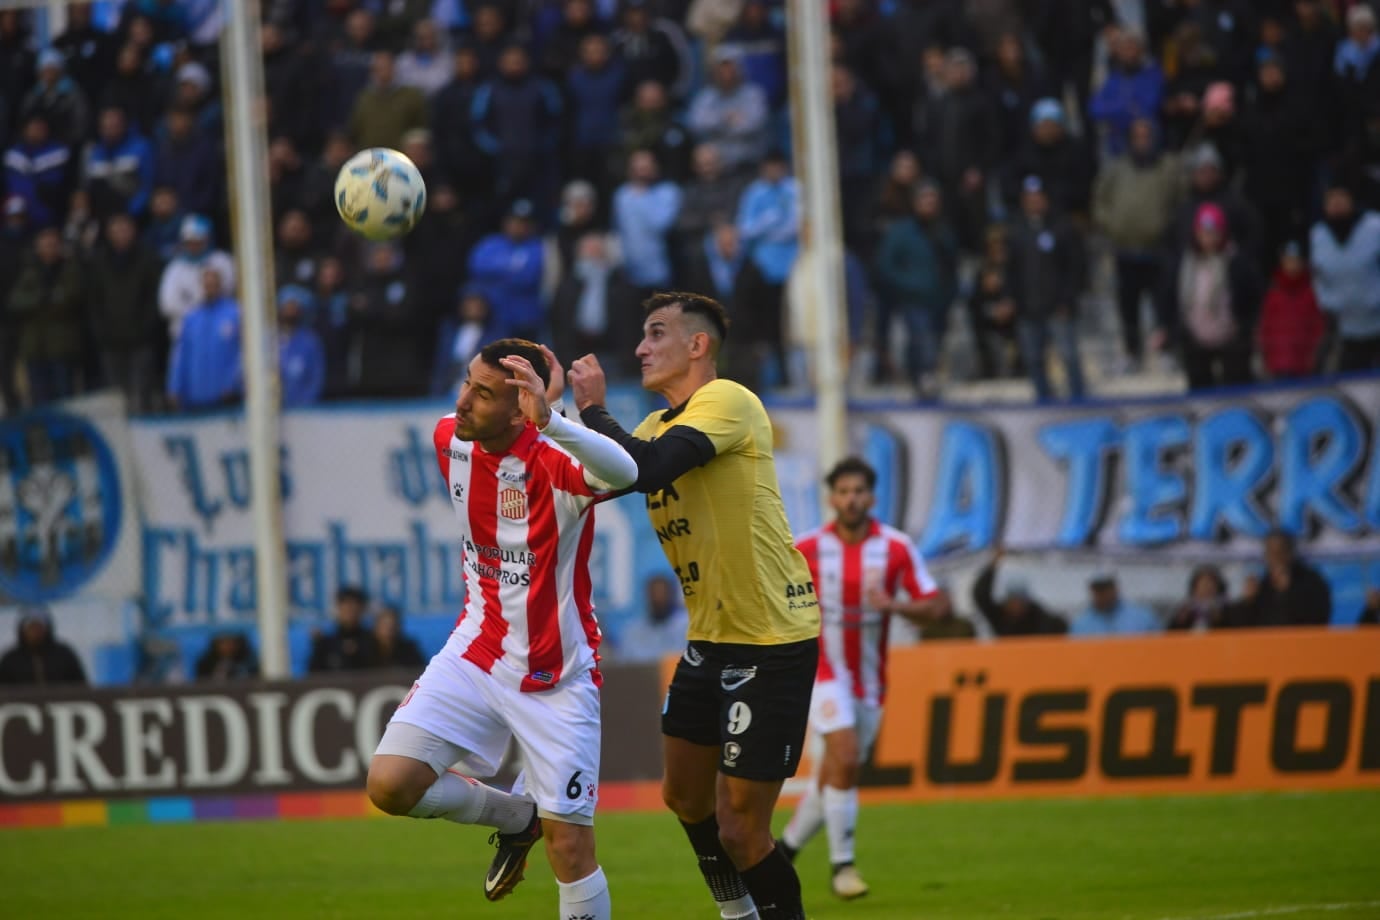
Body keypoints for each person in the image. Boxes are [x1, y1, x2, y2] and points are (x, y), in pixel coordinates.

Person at [569, 291, 820, 920]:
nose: (640, 348)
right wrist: (547, 415)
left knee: (743, 830)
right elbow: (599, 471)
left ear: (698, 345)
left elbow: (646, 469)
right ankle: (739, 915)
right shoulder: (655, 426)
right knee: (684, 797)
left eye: (656, 334)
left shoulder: (729, 402)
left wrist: (592, 409)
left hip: (770, 642)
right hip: (709, 641)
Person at [366, 339, 636, 918]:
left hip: (556, 674)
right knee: (389, 785)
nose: (462, 402)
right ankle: (518, 816)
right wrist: (538, 401)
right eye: (467, 382)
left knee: (572, 848)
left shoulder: (556, 464)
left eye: (482, 394)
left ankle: (543, 825)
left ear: (520, 411)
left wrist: (554, 418)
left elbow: (626, 469)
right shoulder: (451, 439)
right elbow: (473, 417)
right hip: (478, 649)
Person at [780, 457, 944, 901]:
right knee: (846, 756)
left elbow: (935, 607)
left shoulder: (895, 548)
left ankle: (782, 855)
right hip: (822, 669)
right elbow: (774, 600)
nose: (851, 499)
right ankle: (843, 868)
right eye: (843, 491)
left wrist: (894, 606)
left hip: (871, 678)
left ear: (872, 497)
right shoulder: (808, 549)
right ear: (832, 498)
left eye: (859, 491)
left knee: (836, 773)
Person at [1233, 530, 1332, 628]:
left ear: (1290, 552)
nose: (1276, 557)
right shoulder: (1261, 586)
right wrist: (1248, 602)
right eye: (1271, 552)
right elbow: (1244, 626)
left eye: (1280, 551)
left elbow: (1319, 618)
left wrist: (1287, 593)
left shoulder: (1312, 582)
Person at [970, 547, 1068, 636]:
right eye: (1012, 600)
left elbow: (1059, 625)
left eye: (1020, 601)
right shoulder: (999, 616)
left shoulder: (1038, 617)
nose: (1016, 605)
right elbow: (980, 594)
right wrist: (992, 566)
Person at [0, 605, 87, 686]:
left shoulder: (64, 655)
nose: (36, 631)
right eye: (31, 627)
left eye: (39, 626)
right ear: (22, 630)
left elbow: (81, 686)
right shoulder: (10, 659)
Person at [615, 573, 691, 664]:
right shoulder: (633, 631)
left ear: (671, 595)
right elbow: (623, 668)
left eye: (662, 594)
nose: (658, 599)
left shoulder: (687, 627)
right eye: (654, 594)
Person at [308, 586, 380, 672]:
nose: (350, 611)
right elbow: (314, 676)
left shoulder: (372, 641)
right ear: (338, 607)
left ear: (362, 609)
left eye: (355, 606)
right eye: (346, 605)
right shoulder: (326, 643)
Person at [1069, 571, 1160, 637]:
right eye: (1098, 590)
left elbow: (1160, 647)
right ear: (1092, 591)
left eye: (1106, 588)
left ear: (1115, 588)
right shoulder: (1081, 624)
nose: (1102, 594)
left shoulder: (1142, 617)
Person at [372, 605, 426, 670]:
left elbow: (420, 670)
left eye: (393, 625)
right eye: (385, 625)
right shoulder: (365, 647)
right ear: (376, 626)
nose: (389, 630)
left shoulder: (408, 648)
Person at [194, 630, 259, 681]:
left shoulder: (249, 662)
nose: (227, 646)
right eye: (223, 642)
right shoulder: (205, 663)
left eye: (231, 642)